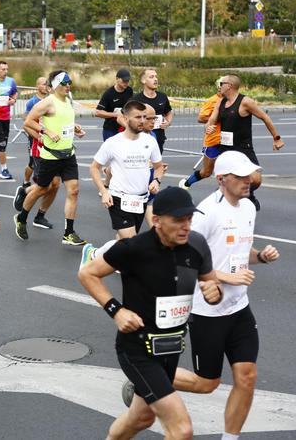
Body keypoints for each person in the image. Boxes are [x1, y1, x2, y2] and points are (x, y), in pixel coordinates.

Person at [78, 186, 222, 440]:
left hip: (171, 347)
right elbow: (87, 273)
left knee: (141, 418)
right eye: (178, 220)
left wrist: (214, 292)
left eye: (189, 219)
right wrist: (117, 310)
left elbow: (210, 283)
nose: (186, 226)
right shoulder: (133, 249)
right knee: (181, 429)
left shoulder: (196, 245)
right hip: (136, 349)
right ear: (156, 221)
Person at [167, 151, 279, 440]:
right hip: (208, 312)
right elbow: (184, 264)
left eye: (250, 175)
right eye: (241, 176)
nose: (249, 181)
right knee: (207, 383)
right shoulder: (204, 215)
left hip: (239, 308)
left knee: (247, 376)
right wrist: (227, 277)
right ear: (221, 179)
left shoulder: (249, 209)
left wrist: (261, 257)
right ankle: (149, 377)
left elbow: (240, 255)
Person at [16, 70, 86, 245]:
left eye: (70, 83)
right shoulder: (47, 102)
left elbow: (64, 121)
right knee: (41, 189)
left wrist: (75, 128)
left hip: (68, 154)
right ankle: (22, 218)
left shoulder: (68, 101)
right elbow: (28, 121)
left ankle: (68, 233)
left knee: (74, 190)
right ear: (55, 85)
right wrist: (46, 131)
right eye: (65, 83)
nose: (68, 86)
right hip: (50, 156)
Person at [203, 74, 285, 211]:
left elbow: (264, 117)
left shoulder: (245, 102)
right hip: (226, 148)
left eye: (221, 83)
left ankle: (249, 194)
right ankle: (226, 199)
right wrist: (208, 127)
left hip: (243, 148)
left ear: (229, 85)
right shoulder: (220, 102)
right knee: (225, 178)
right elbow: (210, 121)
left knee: (256, 179)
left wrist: (277, 138)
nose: (219, 86)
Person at [91, 101, 165, 239]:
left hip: (141, 199)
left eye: (144, 117)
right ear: (125, 118)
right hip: (119, 199)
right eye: (138, 117)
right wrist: (104, 191)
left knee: (122, 242)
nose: (142, 121)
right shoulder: (113, 142)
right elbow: (94, 168)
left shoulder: (150, 141)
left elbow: (159, 166)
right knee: (131, 241)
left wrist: (156, 180)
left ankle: (95, 255)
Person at [13, 76, 59, 230]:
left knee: (55, 185)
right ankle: (25, 192)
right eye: (44, 84)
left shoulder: (56, 101)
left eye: (48, 84)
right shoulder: (34, 102)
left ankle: (40, 215)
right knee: (45, 186)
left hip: (55, 150)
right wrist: (39, 136)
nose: (46, 86)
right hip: (39, 149)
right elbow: (26, 124)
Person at [179, 78, 223, 190]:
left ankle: (223, 194)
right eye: (221, 85)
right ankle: (187, 183)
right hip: (213, 140)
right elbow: (201, 117)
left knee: (228, 170)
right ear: (219, 87)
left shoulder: (233, 100)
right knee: (206, 172)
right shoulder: (212, 100)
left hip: (228, 140)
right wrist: (217, 118)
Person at [129, 68, 173, 153]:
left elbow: (169, 112)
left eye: (156, 77)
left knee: (156, 164)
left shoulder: (162, 96)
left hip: (159, 137)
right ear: (143, 81)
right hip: (141, 139)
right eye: (151, 77)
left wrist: (168, 122)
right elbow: (124, 117)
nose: (155, 79)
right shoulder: (136, 99)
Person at [95, 69, 134, 141]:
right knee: (111, 152)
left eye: (128, 81)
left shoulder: (129, 91)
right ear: (117, 79)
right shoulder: (109, 93)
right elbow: (98, 112)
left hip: (124, 128)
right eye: (124, 80)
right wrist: (115, 114)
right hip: (110, 130)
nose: (126, 83)